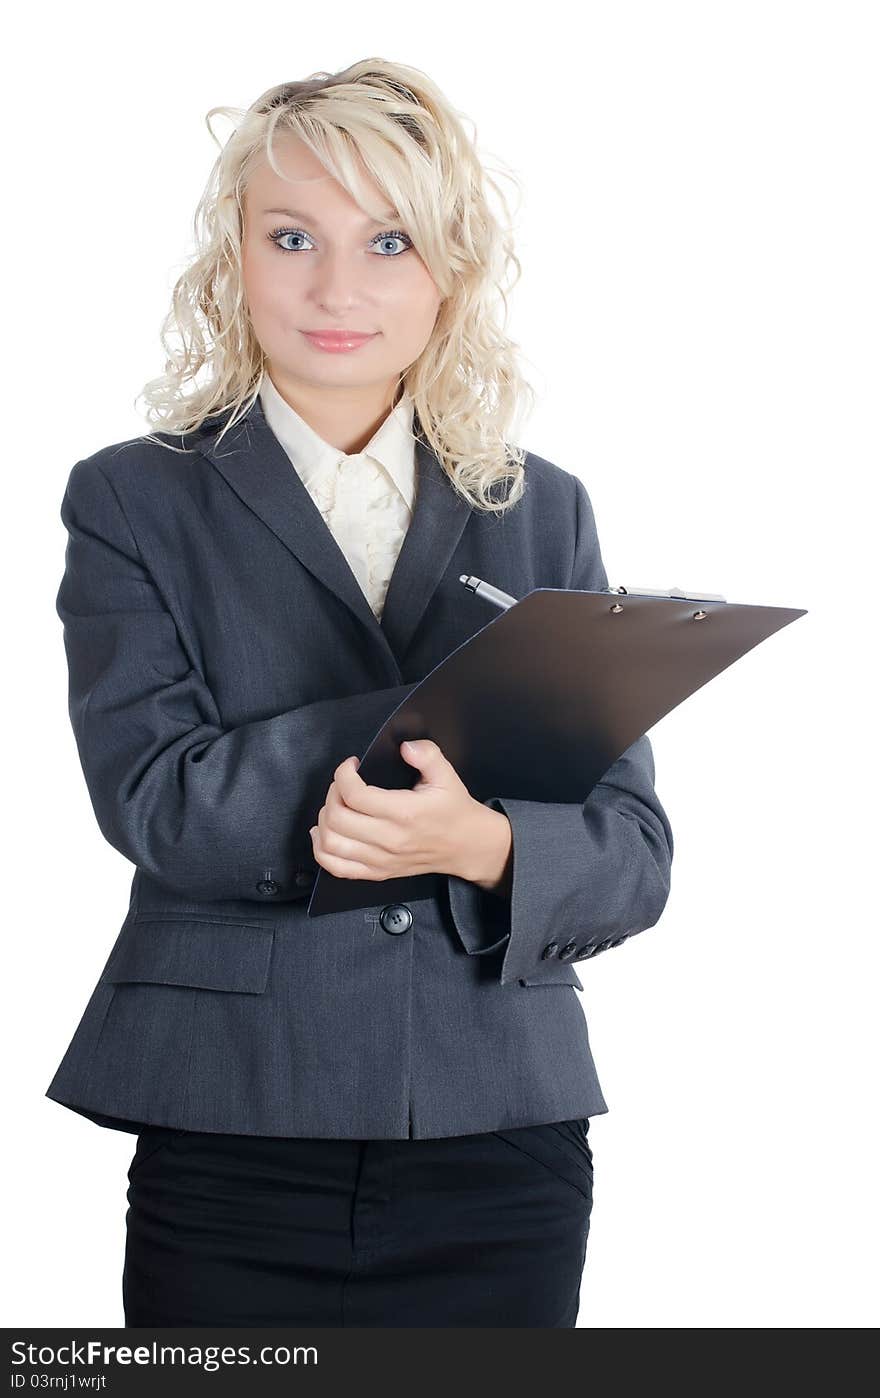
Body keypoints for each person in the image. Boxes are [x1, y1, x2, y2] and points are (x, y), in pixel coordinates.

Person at [46, 59, 674, 1328]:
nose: (337, 288)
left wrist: (489, 846)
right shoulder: (131, 498)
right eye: (292, 238)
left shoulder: (540, 505)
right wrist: (443, 718)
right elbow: (162, 807)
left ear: (448, 269)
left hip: (500, 1128)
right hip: (231, 1122)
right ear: (233, 258)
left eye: (388, 240)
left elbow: (633, 856)